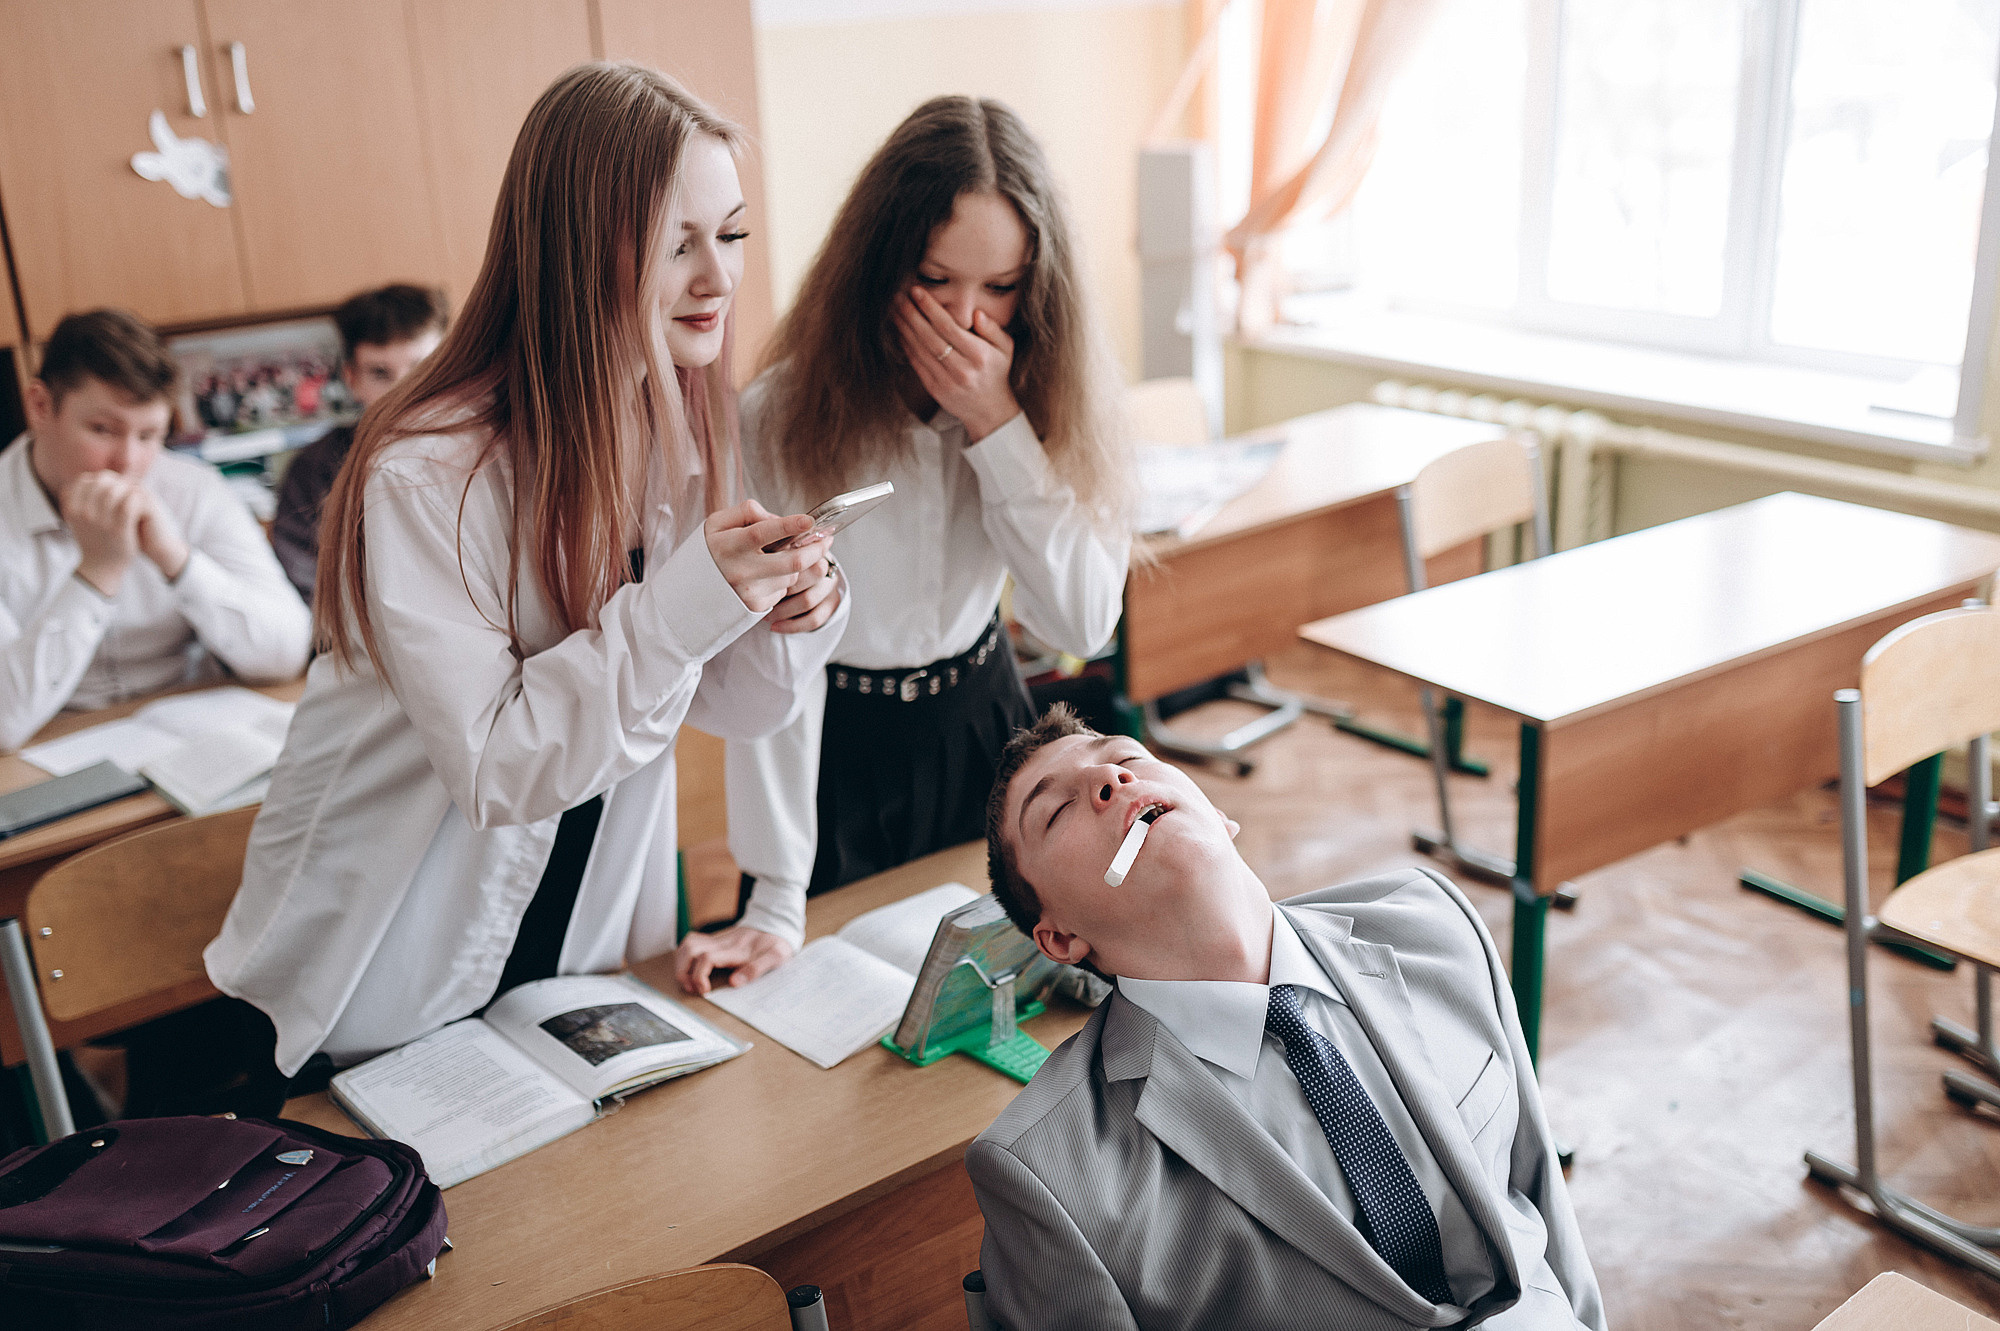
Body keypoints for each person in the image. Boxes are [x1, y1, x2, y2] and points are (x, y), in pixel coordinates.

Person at [204, 62, 847, 1094]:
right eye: (677, 242)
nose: (717, 278)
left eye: (728, 235)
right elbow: (497, 766)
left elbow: (734, 702)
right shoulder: (431, 469)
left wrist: (785, 613)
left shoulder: (685, 426)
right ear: (579, 248)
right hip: (391, 968)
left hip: (578, 948)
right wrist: (689, 604)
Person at [675, 96, 1132, 996]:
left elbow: (1080, 617)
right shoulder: (779, 414)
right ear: (881, 268)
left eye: (999, 288)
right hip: (837, 742)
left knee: (1014, 1008)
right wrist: (773, 892)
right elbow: (777, 663)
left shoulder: (1050, 399)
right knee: (844, 1023)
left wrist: (997, 426)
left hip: (985, 724)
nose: (967, 320)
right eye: (936, 281)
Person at [968, 706, 1606, 1330]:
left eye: (1126, 758)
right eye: (1057, 810)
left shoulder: (1431, 921)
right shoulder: (1049, 1172)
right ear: (1059, 940)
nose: (1113, 782)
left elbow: (1540, 1199)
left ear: (1218, 812)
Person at [0, 309, 311, 752]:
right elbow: (4, 721)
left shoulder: (193, 489)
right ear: (40, 406)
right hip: (51, 744)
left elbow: (286, 653)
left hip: (194, 731)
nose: (128, 463)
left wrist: (177, 561)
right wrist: (98, 571)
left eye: (148, 436)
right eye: (103, 430)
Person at [271, 283, 448, 600]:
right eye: (381, 373)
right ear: (352, 379)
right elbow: (308, 590)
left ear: (451, 364)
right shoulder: (313, 471)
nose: (403, 391)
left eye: (422, 368)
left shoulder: (491, 451)